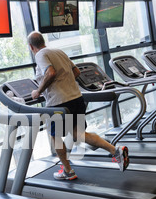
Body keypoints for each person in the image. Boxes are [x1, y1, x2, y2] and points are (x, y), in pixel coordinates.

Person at [28, 31, 129, 180]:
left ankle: (68, 171)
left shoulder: (40, 55)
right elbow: (75, 71)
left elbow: (50, 73)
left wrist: (38, 91)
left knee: (54, 136)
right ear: (43, 40)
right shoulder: (58, 51)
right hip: (76, 98)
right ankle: (116, 151)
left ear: (31, 47)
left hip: (58, 103)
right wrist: (65, 84)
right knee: (79, 135)